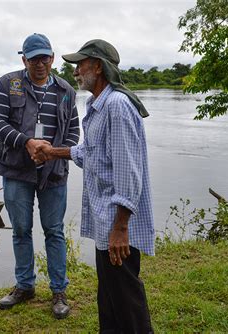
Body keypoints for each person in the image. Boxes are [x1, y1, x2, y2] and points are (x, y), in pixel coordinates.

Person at [32, 39, 155, 333]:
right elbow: (90, 153)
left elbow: (128, 171)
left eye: (80, 64)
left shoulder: (117, 106)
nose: (75, 71)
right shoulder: (98, 105)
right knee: (110, 295)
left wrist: (121, 227)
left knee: (126, 298)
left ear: (97, 67)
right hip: (107, 222)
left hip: (117, 224)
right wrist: (53, 151)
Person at [0, 33, 79, 319]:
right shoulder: (8, 84)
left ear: (52, 58)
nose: (40, 63)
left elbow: (75, 132)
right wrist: (26, 142)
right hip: (16, 170)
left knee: (54, 230)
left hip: (54, 172)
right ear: (24, 59)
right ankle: (25, 286)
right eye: (34, 58)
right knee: (21, 230)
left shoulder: (66, 90)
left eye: (45, 57)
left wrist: (54, 152)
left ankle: (58, 291)